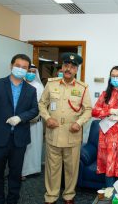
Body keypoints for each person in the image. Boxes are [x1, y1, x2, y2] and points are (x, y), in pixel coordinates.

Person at [38, 53, 92, 204]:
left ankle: (69, 195)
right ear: (62, 67)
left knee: (71, 168)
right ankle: (51, 196)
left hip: (72, 134)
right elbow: (42, 104)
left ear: (76, 70)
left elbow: (88, 110)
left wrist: (79, 123)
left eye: (72, 66)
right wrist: (47, 118)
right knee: (52, 168)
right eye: (66, 65)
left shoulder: (83, 88)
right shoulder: (51, 84)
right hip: (53, 133)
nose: (69, 69)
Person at [0, 54, 39, 204]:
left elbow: (35, 110)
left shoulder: (30, 90)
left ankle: (12, 200)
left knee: (15, 174)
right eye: (18, 66)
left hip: (19, 140)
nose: (20, 69)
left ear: (28, 70)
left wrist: (20, 117)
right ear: (11, 66)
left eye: (24, 67)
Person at [21, 64, 44, 179]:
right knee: (23, 147)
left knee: (35, 145)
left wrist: (36, 115)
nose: (31, 74)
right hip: (22, 122)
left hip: (36, 122)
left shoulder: (40, 87)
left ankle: (34, 169)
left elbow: (43, 104)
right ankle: (22, 171)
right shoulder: (20, 84)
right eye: (29, 71)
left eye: (33, 72)